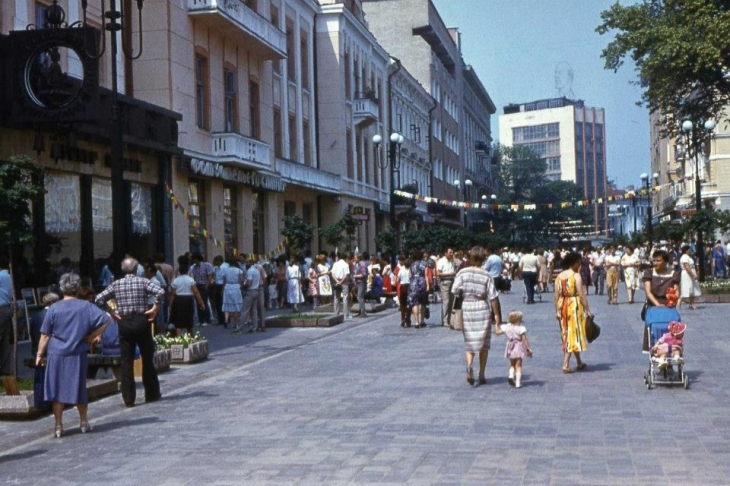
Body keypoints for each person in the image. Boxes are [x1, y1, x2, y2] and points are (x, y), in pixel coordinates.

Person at [36, 273, 111, 437]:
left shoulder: (54, 308)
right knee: (78, 387)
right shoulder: (86, 306)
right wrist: (92, 336)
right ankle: (83, 422)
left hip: (56, 352)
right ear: (78, 289)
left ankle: (58, 426)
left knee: (56, 388)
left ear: (62, 289)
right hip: (78, 351)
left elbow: (45, 334)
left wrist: (39, 354)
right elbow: (106, 320)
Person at [95, 257, 165, 408]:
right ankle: (151, 393)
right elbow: (160, 291)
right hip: (141, 320)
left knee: (126, 361)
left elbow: (99, 298)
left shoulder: (116, 284)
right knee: (147, 358)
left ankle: (128, 397)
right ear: (135, 269)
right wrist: (155, 308)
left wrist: (112, 312)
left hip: (124, 322)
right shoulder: (143, 281)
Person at [451, 246, 503, 386]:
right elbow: (493, 297)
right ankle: (481, 373)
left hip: (467, 307)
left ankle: (469, 365)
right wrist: (497, 316)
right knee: (484, 343)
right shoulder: (487, 275)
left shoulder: (462, 272)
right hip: (482, 307)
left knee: (469, 341)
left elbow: (454, 290)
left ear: (469, 257)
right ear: (483, 259)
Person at [554, 252, 593, 373]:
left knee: (568, 333)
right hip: (573, 306)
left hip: (562, 305)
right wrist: (588, 309)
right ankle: (565, 364)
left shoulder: (559, 276)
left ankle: (579, 362)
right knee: (571, 334)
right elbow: (581, 294)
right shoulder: (576, 276)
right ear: (575, 262)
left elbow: (556, 295)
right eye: (578, 262)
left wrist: (557, 311)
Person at [641, 249, 680, 352]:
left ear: (665, 262)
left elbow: (676, 291)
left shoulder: (673, 274)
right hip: (653, 305)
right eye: (654, 260)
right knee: (653, 329)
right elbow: (648, 292)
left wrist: (673, 300)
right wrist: (658, 304)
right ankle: (654, 355)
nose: (655, 263)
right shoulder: (649, 272)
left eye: (658, 260)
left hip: (669, 305)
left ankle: (671, 355)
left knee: (670, 330)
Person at [493, 310, 533, 388]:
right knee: (518, 365)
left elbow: (497, 332)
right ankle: (518, 383)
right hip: (518, 347)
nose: (521, 320)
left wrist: (496, 325)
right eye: (520, 319)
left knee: (512, 364)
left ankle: (511, 376)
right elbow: (524, 339)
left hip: (510, 347)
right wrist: (528, 348)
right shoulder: (521, 328)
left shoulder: (507, 327)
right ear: (517, 320)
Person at [167, 260, 205, 336]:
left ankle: (179, 338)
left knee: (178, 322)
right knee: (189, 320)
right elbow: (196, 292)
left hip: (178, 300)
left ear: (179, 272)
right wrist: (201, 303)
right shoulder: (190, 280)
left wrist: (170, 306)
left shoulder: (175, 281)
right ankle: (190, 337)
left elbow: (172, 294)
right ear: (188, 271)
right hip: (188, 300)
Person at [189, 253, 214, 326]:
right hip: (197, 285)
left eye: (195, 259)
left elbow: (210, 275)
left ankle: (207, 319)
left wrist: (207, 285)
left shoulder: (207, 265)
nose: (194, 261)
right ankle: (201, 319)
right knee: (198, 302)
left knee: (204, 302)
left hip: (204, 284)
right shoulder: (194, 267)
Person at [0, 256, 14, 388]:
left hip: (0, 309)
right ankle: (5, 373)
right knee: (4, 342)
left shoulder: (1, 276)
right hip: (6, 309)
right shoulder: (8, 276)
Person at [408, 250, 430, 328]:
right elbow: (426, 275)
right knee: (423, 302)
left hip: (413, 283)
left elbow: (409, 275)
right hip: (422, 282)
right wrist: (428, 285)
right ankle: (422, 321)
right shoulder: (425, 263)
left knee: (415, 303)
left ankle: (416, 322)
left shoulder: (411, 264)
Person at [436, 248, 457, 328]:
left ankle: (450, 320)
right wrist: (449, 274)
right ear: (445, 253)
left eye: (452, 252)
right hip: (444, 282)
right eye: (450, 252)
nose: (452, 254)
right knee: (446, 302)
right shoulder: (441, 261)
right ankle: (445, 321)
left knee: (451, 302)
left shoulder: (452, 261)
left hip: (452, 282)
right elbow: (438, 273)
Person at [221, 256, 244, 329]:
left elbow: (224, 281)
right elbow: (241, 280)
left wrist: (222, 289)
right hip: (236, 287)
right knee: (236, 306)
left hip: (227, 287)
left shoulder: (226, 271)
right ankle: (235, 323)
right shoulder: (239, 270)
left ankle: (226, 319)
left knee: (227, 304)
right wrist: (241, 286)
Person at [331, 253, 352, 319]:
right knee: (345, 298)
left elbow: (332, 273)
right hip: (344, 282)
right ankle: (346, 314)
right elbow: (346, 275)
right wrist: (341, 282)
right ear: (345, 258)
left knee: (336, 298)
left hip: (336, 281)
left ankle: (336, 313)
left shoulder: (335, 264)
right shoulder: (346, 264)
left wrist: (337, 281)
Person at [678, 245, 700, 310]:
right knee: (687, 288)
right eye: (689, 249)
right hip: (687, 274)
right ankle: (679, 302)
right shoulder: (684, 257)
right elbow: (687, 267)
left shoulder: (688, 257)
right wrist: (693, 275)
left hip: (691, 273)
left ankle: (692, 303)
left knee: (692, 289)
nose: (690, 250)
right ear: (686, 250)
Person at [396, 256, 411, 327]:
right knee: (409, 303)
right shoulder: (410, 269)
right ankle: (408, 318)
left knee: (402, 304)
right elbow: (411, 277)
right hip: (409, 286)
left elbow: (397, 280)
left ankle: (402, 319)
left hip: (403, 287)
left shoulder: (401, 269)